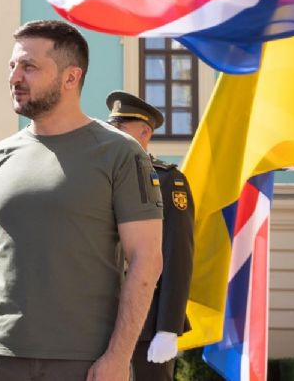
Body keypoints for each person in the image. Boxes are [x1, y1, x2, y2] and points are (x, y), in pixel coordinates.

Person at [0, 20, 163, 381]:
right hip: (1, 358)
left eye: (29, 67)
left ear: (70, 78)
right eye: (13, 66)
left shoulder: (121, 154)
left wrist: (118, 357)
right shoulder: (0, 157)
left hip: (85, 362)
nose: (15, 77)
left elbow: (147, 259)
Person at [105, 90, 194, 381]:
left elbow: (177, 255)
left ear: (144, 132)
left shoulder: (168, 181)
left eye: (119, 128)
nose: (110, 134)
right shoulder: (100, 178)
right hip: (100, 316)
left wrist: (168, 326)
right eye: (109, 127)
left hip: (147, 320)